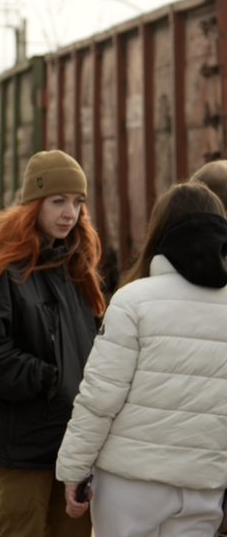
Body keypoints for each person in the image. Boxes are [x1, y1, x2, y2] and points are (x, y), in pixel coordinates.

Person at [56, 182, 227, 537]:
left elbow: (100, 398)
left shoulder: (132, 301)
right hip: (204, 485)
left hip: (130, 485)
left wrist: (74, 469)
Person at [0, 149, 105, 537]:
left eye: (77, 202)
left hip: (77, 447)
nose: (69, 212)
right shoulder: (2, 270)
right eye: (58, 201)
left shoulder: (78, 271)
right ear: (33, 205)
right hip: (25, 448)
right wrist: (51, 380)